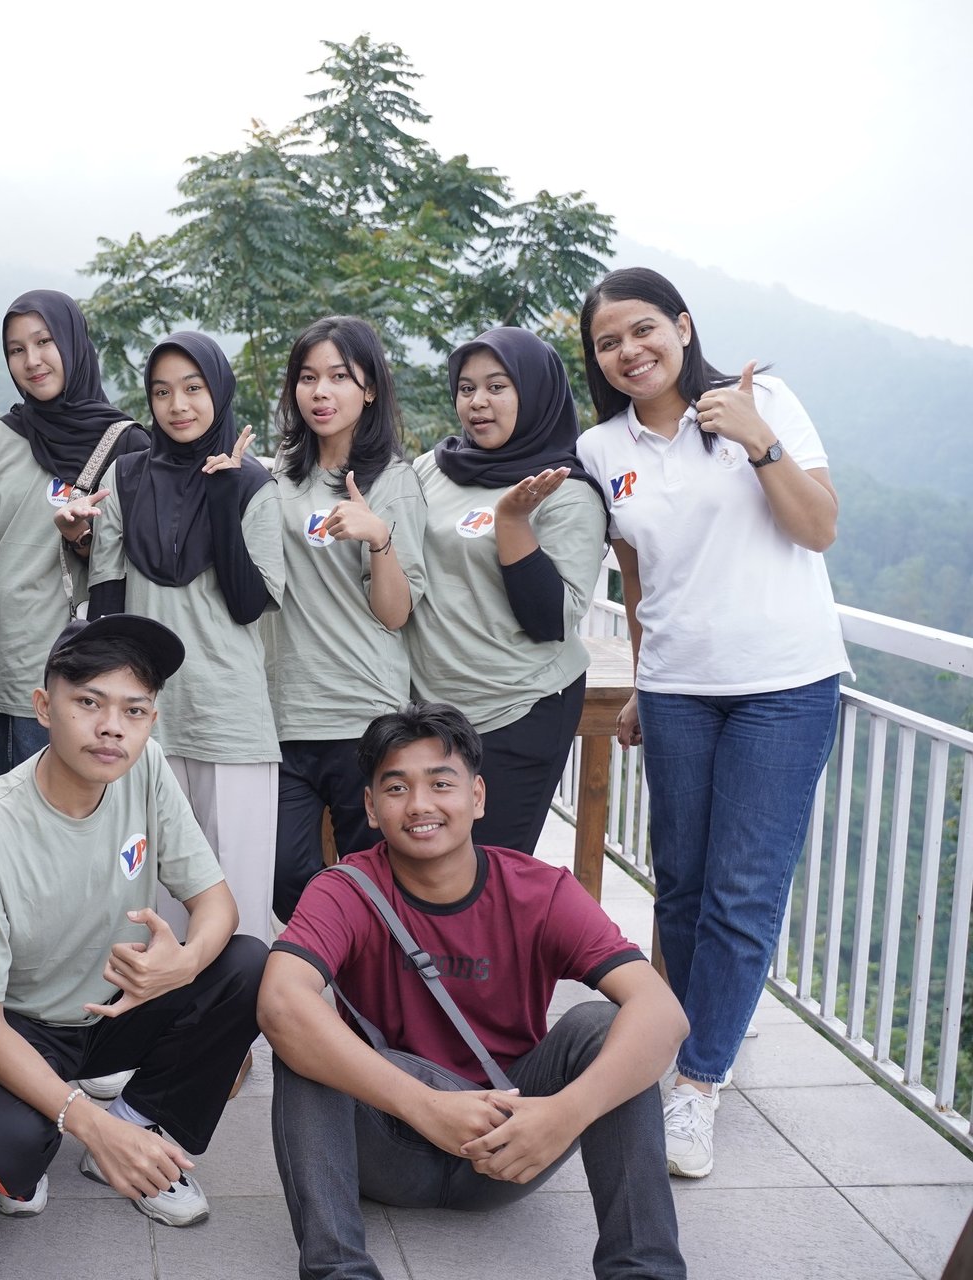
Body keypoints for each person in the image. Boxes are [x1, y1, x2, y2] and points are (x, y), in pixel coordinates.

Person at [260, 702, 689, 1280]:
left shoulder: (541, 892)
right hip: (386, 1142)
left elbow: (663, 1013)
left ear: (478, 796)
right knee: (303, 1035)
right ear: (369, 805)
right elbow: (280, 1003)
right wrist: (428, 1108)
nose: (420, 805)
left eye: (441, 783)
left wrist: (565, 1115)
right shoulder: (345, 889)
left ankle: (644, 1270)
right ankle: (338, 1269)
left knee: (606, 1024)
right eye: (396, 787)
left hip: (505, 1145)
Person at [577, 267, 847, 1179]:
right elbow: (640, 583)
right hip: (682, 688)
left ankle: (695, 1081)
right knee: (682, 885)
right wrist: (646, 686)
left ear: (684, 328)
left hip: (786, 681)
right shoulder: (598, 445)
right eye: (610, 341)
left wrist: (758, 441)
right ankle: (705, 1035)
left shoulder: (761, 400)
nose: (630, 351)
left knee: (743, 888)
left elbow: (818, 531)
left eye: (645, 330)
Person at [0, 614, 267, 1228]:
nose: (111, 728)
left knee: (246, 963)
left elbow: (216, 904)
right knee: (9, 1160)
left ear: (151, 720)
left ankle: (138, 1128)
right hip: (16, 1025)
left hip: (114, 1008)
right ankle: (93, 1127)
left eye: (134, 710)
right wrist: (88, 1125)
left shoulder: (147, 767)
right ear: (43, 707)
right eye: (88, 702)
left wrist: (180, 964)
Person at [69, 332, 283, 942]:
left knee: (236, 897)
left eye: (193, 389)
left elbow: (247, 605)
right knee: (150, 894)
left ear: (218, 391)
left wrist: (221, 495)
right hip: (146, 716)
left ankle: (235, 1036)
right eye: (162, 392)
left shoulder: (251, 485)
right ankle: (165, 1030)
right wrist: (104, 706)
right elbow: (107, 606)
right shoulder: (127, 476)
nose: (178, 405)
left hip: (229, 717)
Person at [403, 326, 607, 854]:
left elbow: (548, 620)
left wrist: (513, 522)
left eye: (498, 386)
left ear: (534, 392)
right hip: (431, 707)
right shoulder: (433, 469)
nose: (478, 402)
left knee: (491, 872)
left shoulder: (565, 490)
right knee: (427, 865)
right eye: (467, 388)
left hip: (519, 706)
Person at [265, 317, 428, 922]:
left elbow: (395, 613)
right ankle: (330, 992)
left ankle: (370, 1010)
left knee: (379, 879)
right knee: (285, 877)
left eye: (339, 376)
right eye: (307, 378)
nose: (320, 392)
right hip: (282, 716)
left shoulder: (394, 482)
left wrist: (379, 539)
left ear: (370, 390)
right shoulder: (275, 479)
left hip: (365, 713)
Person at [0, 289, 146, 788]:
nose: (32, 361)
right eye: (16, 349)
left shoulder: (127, 444)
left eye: (44, 341)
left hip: (69, 681)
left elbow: (135, 566)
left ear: (73, 343)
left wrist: (83, 540)